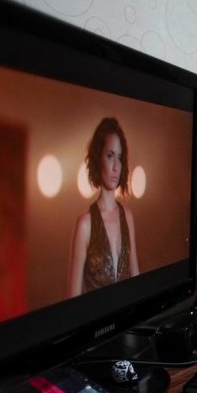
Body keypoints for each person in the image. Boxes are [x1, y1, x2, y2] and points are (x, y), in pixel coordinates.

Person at [68, 117, 140, 296]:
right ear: (97, 158)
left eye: (120, 157)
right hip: (98, 322)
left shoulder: (127, 216)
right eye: (109, 155)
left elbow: (136, 278)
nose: (116, 166)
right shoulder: (85, 224)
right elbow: (73, 299)